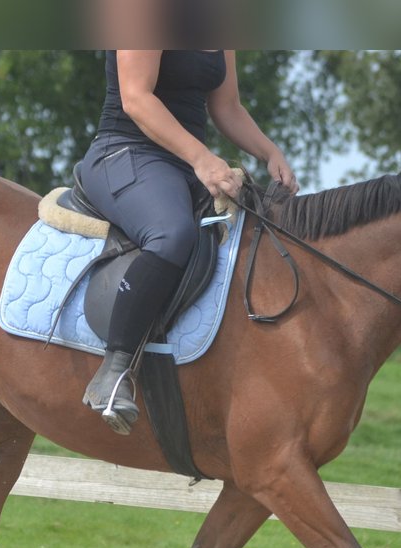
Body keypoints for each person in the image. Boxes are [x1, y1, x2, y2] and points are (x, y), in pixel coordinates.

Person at [78, 50, 299, 434]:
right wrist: (203, 158)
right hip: (125, 152)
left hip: (185, 167)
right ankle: (114, 370)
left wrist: (269, 152)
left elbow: (227, 106)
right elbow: (136, 97)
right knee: (172, 233)